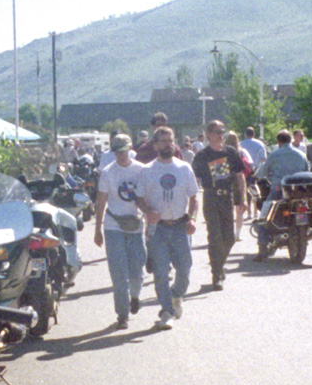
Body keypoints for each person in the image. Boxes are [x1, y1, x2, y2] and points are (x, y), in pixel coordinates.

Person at [136, 126, 199, 329]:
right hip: (158, 229)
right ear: (155, 145)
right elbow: (138, 197)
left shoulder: (183, 168)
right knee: (161, 271)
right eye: (163, 141)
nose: (168, 144)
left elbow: (194, 198)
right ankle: (167, 311)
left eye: (170, 140)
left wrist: (192, 218)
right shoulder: (147, 171)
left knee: (185, 269)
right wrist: (147, 210)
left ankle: (176, 295)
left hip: (180, 227)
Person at [94, 134, 147, 329]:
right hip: (113, 224)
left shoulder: (141, 170)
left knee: (137, 270)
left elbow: (147, 198)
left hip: (135, 225)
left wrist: (150, 224)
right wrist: (98, 229)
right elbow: (101, 201)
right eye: (117, 151)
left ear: (130, 149)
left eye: (123, 151)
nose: (121, 155)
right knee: (118, 273)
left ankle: (135, 296)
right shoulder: (108, 172)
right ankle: (122, 314)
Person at [190, 120, 247, 290]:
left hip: (227, 197)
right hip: (210, 197)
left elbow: (240, 176)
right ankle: (216, 275)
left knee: (229, 238)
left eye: (222, 131)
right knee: (214, 237)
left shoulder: (231, 152)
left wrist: (242, 198)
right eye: (217, 131)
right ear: (208, 134)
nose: (221, 134)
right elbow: (194, 180)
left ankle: (219, 264)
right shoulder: (202, 156)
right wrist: (191, 201)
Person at [252, 129, 312, 247]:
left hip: (279, 190)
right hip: (299, 192)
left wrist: (255, 176)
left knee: (264, 213)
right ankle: (307, 229)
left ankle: (262, 245)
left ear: (279, 142)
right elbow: (308, 171)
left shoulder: (274, 155)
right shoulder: (301, 155)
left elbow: (263, 171)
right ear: (290, 140)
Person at [224, 131, 256, 237]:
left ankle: (228, 232)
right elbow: (250, 164)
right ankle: (237, 233)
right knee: (239, 208)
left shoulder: (222, 151)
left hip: (226, 181)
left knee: (227, 208)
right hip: (239, 180)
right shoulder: (242, 151)